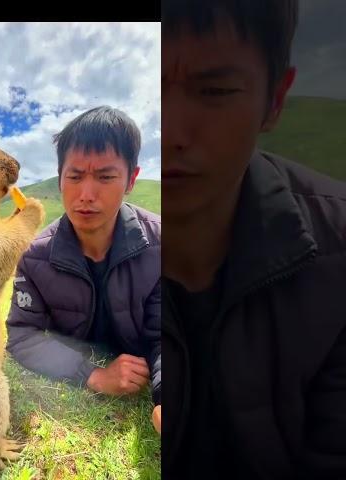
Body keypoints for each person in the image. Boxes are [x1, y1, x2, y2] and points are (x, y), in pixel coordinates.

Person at [162, 1, 346, 478]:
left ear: (275, 101)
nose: (171, 132)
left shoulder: (339, 253)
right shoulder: (111, 248)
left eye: (215, 90)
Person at [6, 106, 161, 418]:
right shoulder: (35, 257)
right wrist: (93, 375)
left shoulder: (161, 247)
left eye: (105, 176)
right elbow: (23, 335)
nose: (86, 194)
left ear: (131, 179)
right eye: (75, 176)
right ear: (60, 179)